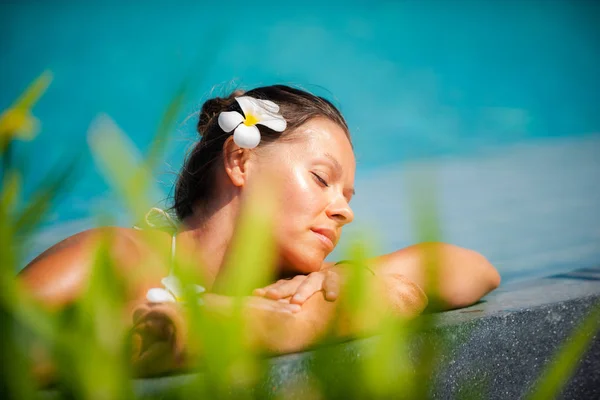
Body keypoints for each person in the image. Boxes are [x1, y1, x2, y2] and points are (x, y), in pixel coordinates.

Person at [18, 85, 500, 377]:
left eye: (348, 198)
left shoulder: (293, 284)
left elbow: (471, 270)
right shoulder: (115, 256)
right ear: (240, 160)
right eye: (320, 179)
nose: (343, 212)